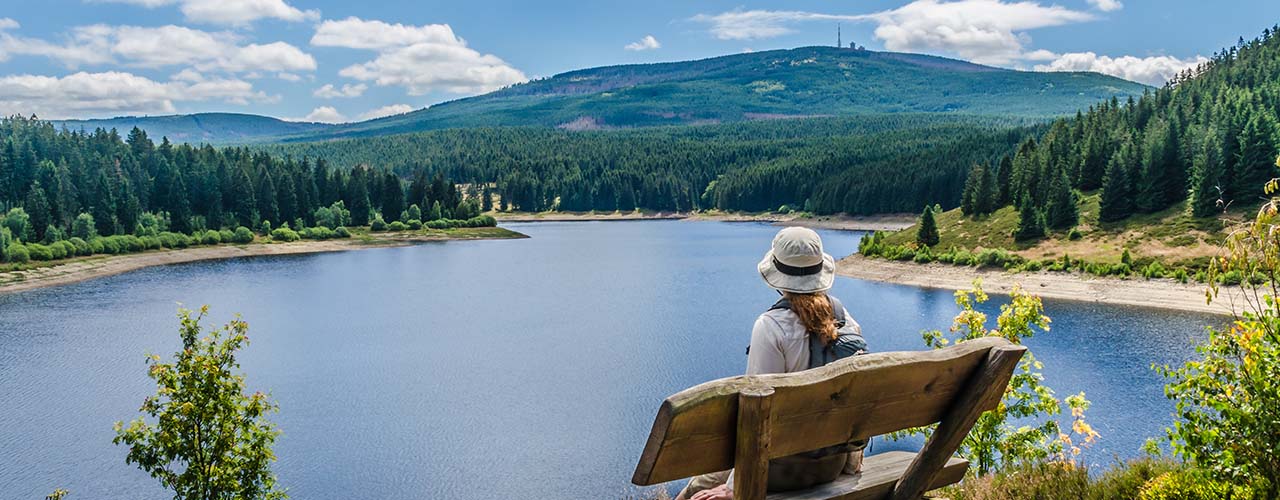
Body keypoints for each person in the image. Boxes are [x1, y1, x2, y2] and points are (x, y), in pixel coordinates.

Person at [678, 227, 867, 500]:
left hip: (781, 471)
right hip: (833, 464)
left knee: (695, 490)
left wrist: (734, 488)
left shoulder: (771, 327)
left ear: (778, 277)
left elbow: (756, 412)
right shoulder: (846, 321)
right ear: (819, 273)